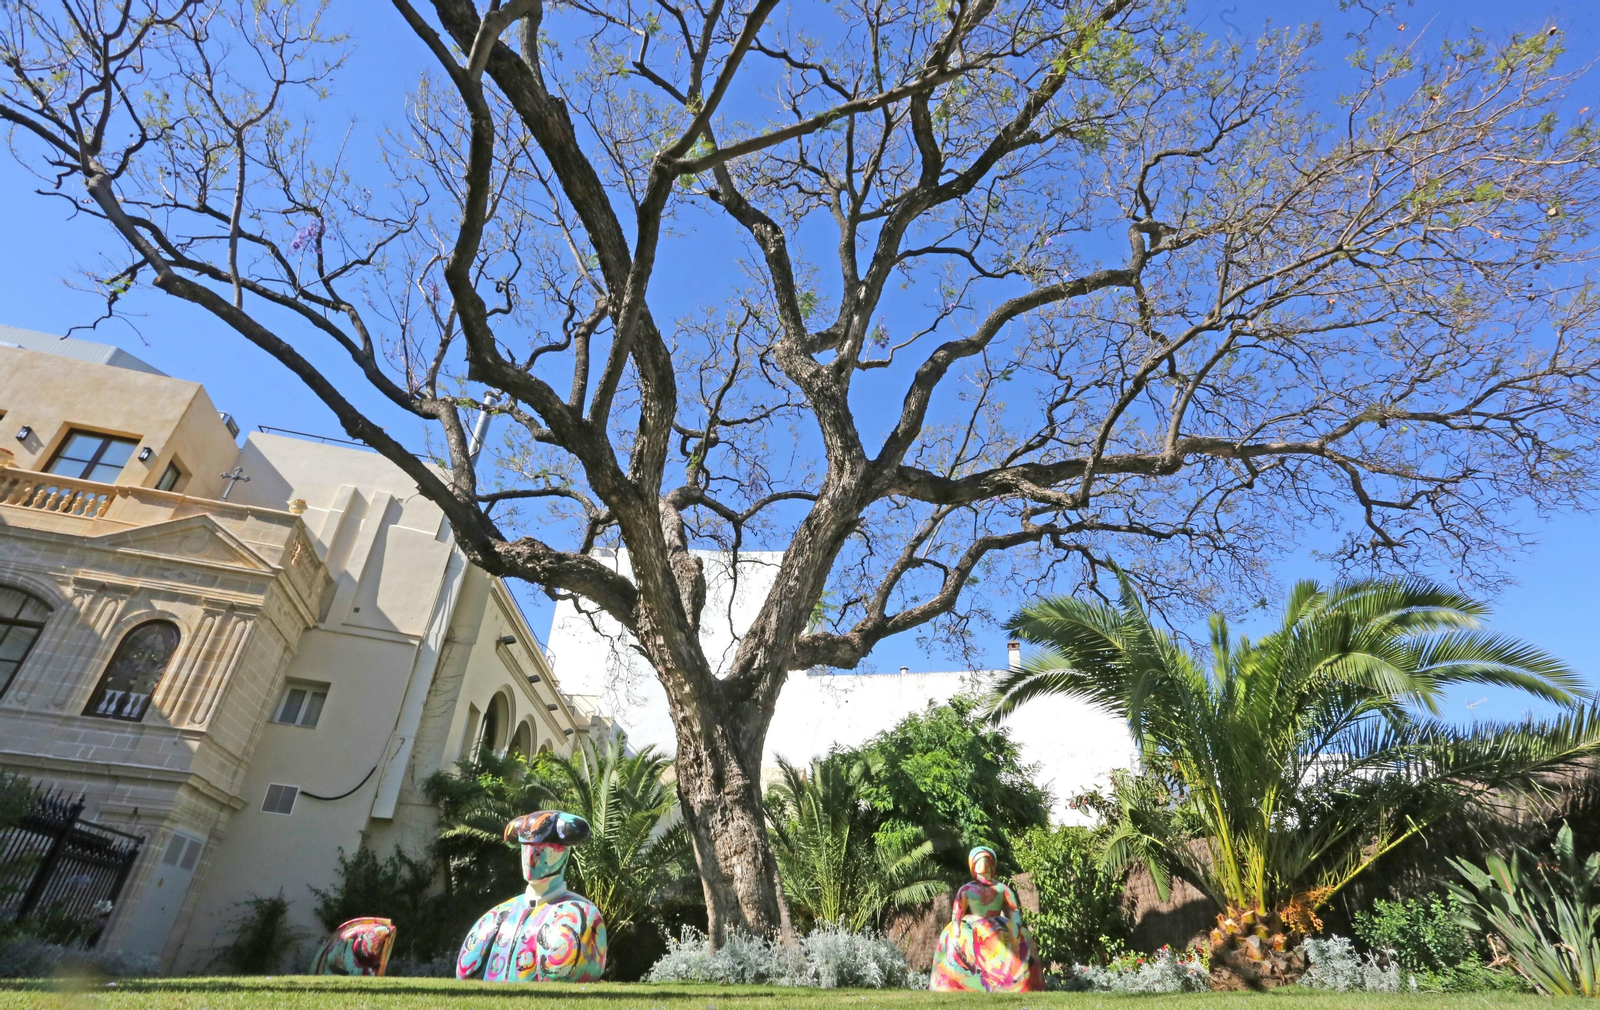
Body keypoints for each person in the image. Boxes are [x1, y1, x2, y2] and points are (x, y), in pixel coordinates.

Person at [455, 810, 607, 982]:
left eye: (543, 850)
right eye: (526, 849)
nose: (530, 860)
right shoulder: (500, 914)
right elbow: (465, 975)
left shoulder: (580, 915)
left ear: (563, 853)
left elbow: (563, 982)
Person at [929, 845, 1044, 992]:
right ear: (973, 866)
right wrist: (956, 925)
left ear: (992, 865)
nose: (983, 866)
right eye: (978, 862)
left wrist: (1016, 925)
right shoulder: (966, 889)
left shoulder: (1002, 889)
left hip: (998, 925)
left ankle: (1015, 985)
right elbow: (958, 909)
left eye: (986, 861)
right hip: (972, 925)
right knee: (951, 939)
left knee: (1023, 939)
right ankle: (955, 984)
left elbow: (1013, 909)